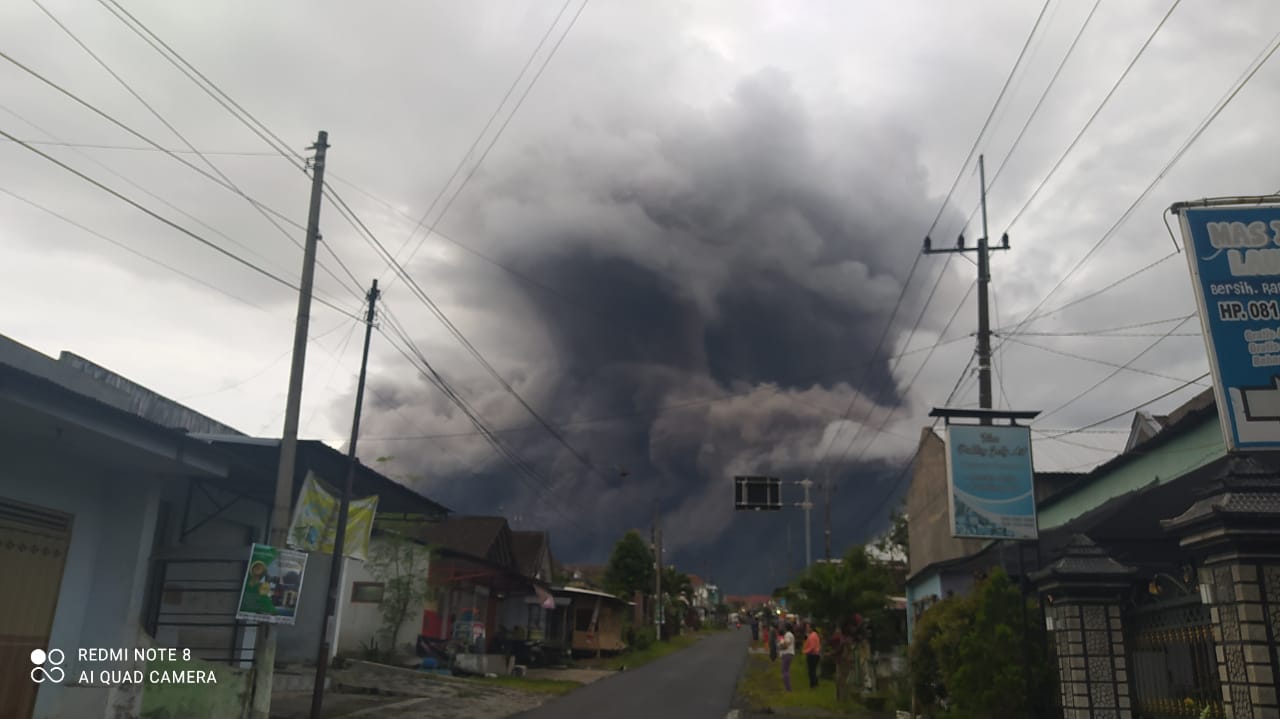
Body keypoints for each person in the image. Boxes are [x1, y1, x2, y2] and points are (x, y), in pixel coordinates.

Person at [803, 622, 821, 688]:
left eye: (808, 627)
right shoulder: (814, 635)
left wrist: (805, 651)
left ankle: (813, 685)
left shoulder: (813, 636)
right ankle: (815, 684)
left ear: (811, 628)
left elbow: (812, 647)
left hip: (813, 655)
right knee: (812, 670)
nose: (807, 629)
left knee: (811, 671)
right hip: (814, 655)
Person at [779, 622, 796, 691]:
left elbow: (786, 645)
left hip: (787, 654)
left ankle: (788, 688)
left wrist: (780, 645)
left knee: (785, 671)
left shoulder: (788, 634)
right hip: (788, 654)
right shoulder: (789, 634)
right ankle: (787, 687)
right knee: (786, 670)